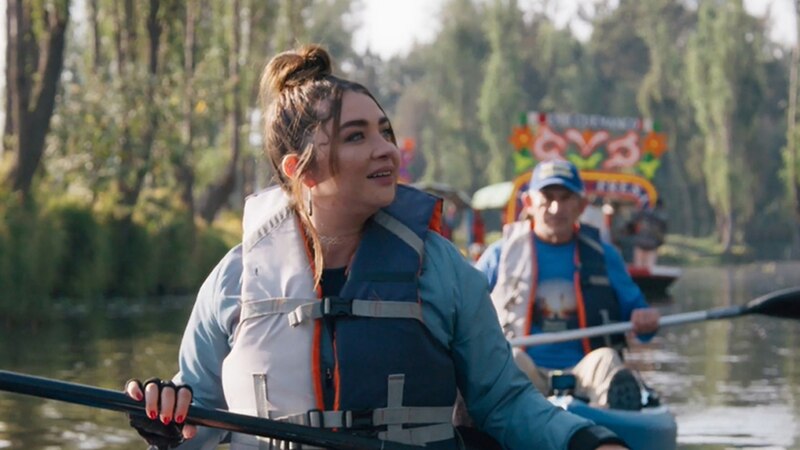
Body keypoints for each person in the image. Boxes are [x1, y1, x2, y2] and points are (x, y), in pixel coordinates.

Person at [122, 46, 628, 450]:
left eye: (384, 130)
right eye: (356, 136)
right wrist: (165, 420)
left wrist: (589, 442)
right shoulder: (233, 283)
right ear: (303, 170)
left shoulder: (443, 271)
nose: (386, 147)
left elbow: (505, 403)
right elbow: (197, 425)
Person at [474, 159, 661, 411]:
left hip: (584, 374)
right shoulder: (501, 254)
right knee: (511, 359)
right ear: (529, 203)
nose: (555, 207)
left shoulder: (605, 256)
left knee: (607, 359)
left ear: (581, 206)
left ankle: (609, 429)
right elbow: (463, 307)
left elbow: (643, 324)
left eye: (565, 198)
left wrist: (645, 319)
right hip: (524, 374)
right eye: (547, 197)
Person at [630, 199, 667, 268]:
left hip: (649, 246)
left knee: (647, 269)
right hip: (643, 245)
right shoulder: (642, 214)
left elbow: (662, 234)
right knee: (641, 269)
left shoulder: (659, 217)